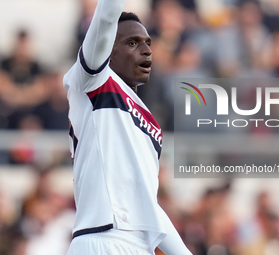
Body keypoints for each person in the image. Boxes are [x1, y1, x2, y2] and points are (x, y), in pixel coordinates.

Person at [63, 0, 192, 254]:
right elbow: (107, 16)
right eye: (132, 43)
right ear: (106, 50)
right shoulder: (94, 81)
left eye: (148, 43)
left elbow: (146, 205)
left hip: (136, 246)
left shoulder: (149, 122)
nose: (146, 50)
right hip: (102, 238)